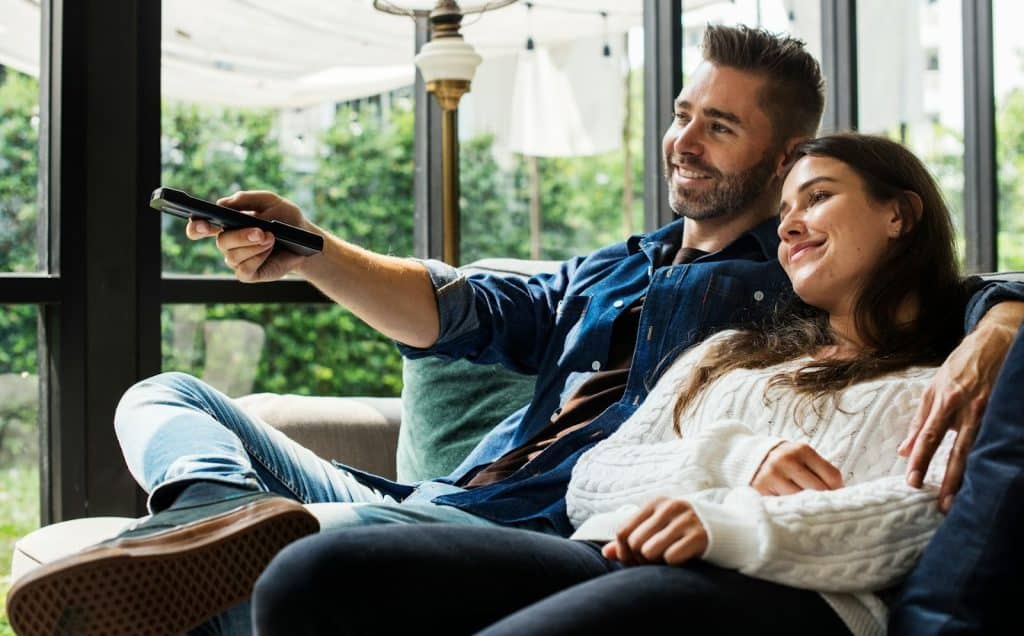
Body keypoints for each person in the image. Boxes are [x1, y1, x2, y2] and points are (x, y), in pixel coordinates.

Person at [5, 26, 1022, 636]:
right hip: (430, 500)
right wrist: (307, 246)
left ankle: (202, 562)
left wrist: (1001, 318)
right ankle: (205, 517)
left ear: (789, 152)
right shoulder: (619, 265)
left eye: (721, 125)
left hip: (515, 537)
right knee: (162, 396)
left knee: (315, 561)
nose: (684, 140)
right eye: (681, 113)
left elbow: (936, 291)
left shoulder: (788, 290)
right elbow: (467, 312)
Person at [249, 133, 998, 636]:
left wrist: (728, 526)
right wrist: (732, 460)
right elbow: (597, 477)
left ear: (900, 214)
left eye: (820, 197)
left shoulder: (944, 379)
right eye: (788, 206)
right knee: (313, 574)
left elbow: (915, 517)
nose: (791, 224)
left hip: (786, 594)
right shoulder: (733, 354)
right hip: (611, 549)